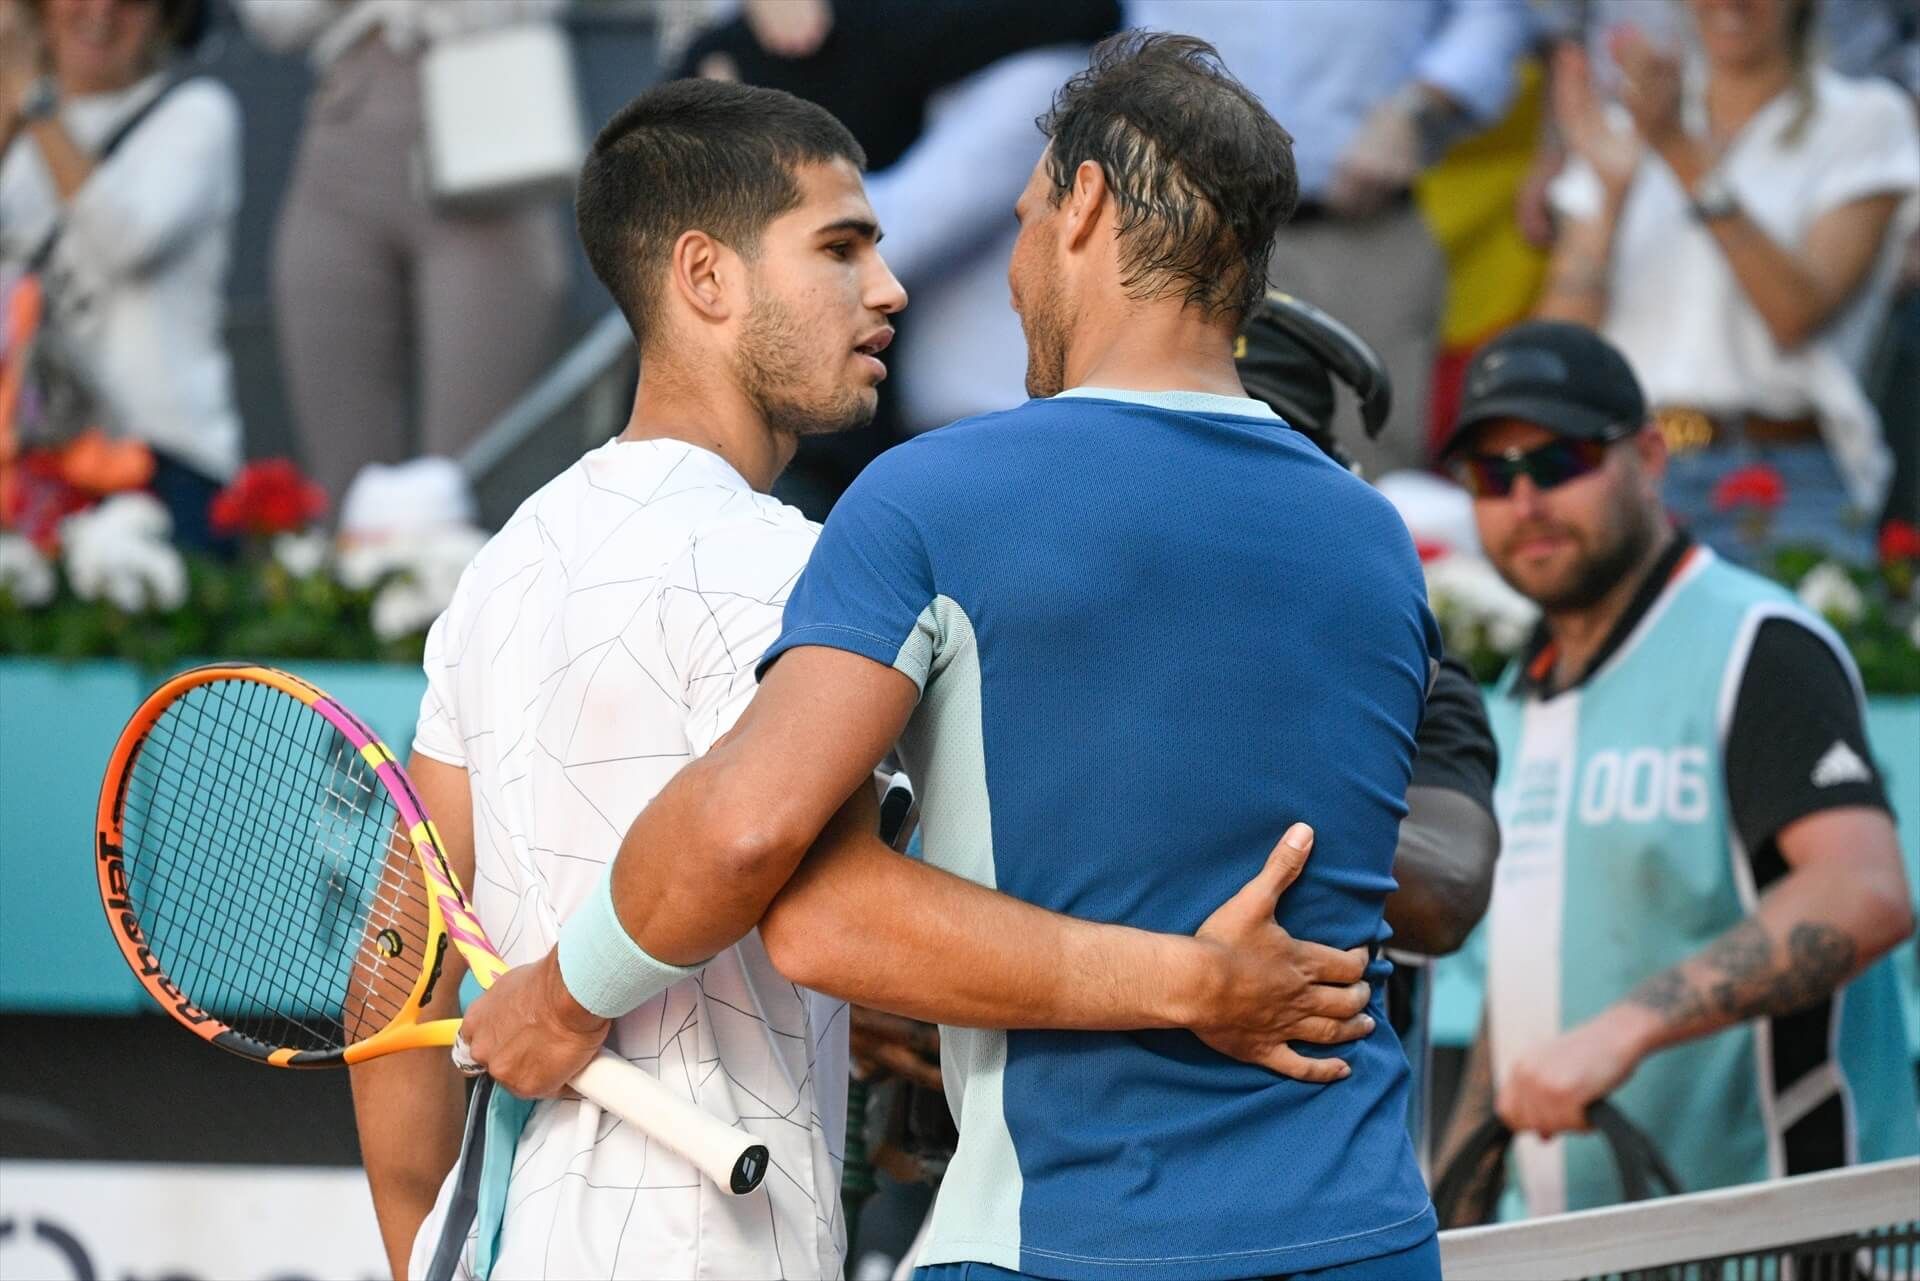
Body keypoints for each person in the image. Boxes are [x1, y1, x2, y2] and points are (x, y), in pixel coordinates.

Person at [467, 33, 1446, 1280]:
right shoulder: (1375, 542)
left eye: (1024, 221)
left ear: (1083, 205)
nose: (1008, 275)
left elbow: (787, 879)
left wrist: (559, 999)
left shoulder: (935, 496)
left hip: (1071, 1244)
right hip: (1371, 1234)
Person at [1433, 320, 1917, 1219]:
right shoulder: (1517, 692)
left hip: (1786, 1243)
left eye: (1561, 460)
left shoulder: (1756, 642)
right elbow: (1521, 993)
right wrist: (1453, 1218)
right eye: (1492, 475)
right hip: (1572, 1247)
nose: (1526, 500)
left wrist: (1628, 1028)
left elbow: (1865, 891)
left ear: (1650, 457)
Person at [1536, 0, 1920, 567]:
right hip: (1631, 472)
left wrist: (1679, 150)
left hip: (1785, 477)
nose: (1731, 4)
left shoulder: (1865, 118)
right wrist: (1612, 199)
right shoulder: (1625, 125)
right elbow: (1558, 354)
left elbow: (1795, 314)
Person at [1126, 0, 1536, 478]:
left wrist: (1419, 105)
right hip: (1189, 230)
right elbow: (1099, 36)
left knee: (1371, 468)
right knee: (1178, 458)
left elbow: (1494, 14)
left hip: (1361, 230)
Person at [234, 0, 570, 507]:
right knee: (345, 492)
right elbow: (274, 19)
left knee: (468, 485)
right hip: (346, 122)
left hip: (488, 119)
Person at [0, 0, 241, 552]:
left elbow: (124, 240)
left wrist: (34, 98)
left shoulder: (197, 112)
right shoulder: (21, 129)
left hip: (160, 467)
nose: (102, 10)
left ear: (168, 15)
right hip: (30, 465)